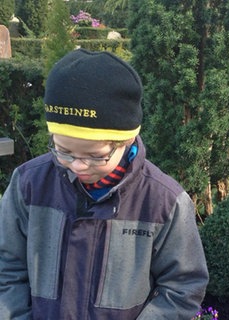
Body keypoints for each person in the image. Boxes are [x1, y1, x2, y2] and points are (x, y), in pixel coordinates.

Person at [0, 49, 209, 319]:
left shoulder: (164, 201)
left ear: (127, 141)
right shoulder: (28, 185)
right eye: (63, 150)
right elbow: (6, 267)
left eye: (95, 156)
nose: (77, 165)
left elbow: (183, 286)